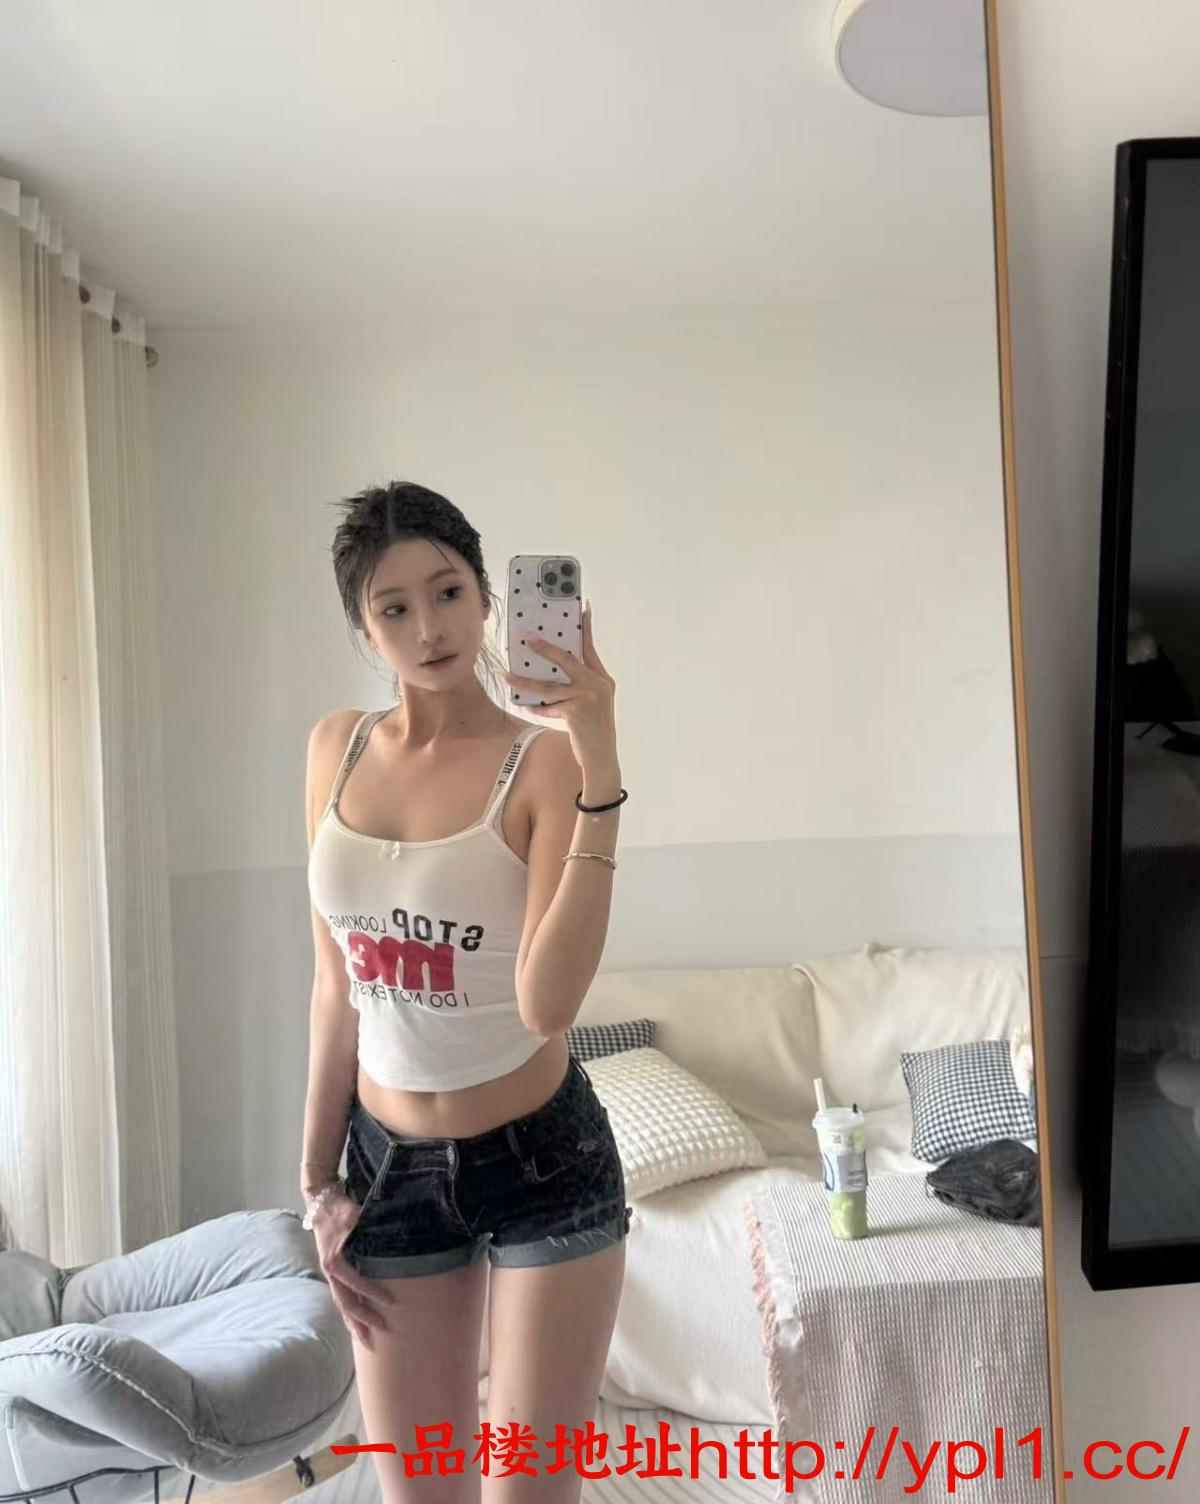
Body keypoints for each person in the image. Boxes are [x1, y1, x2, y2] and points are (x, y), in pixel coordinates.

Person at [301, 480, 631, 1504]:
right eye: (394, 607)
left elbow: (547, 1006)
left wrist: (601, 767)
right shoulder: (334, 749)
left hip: (543, 1160)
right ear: (364, 628)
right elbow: (333, 984)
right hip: (386, 1168)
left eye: (448, 592)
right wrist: (315, 1183)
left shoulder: (544, 763)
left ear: (489, 597)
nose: (428, 629)